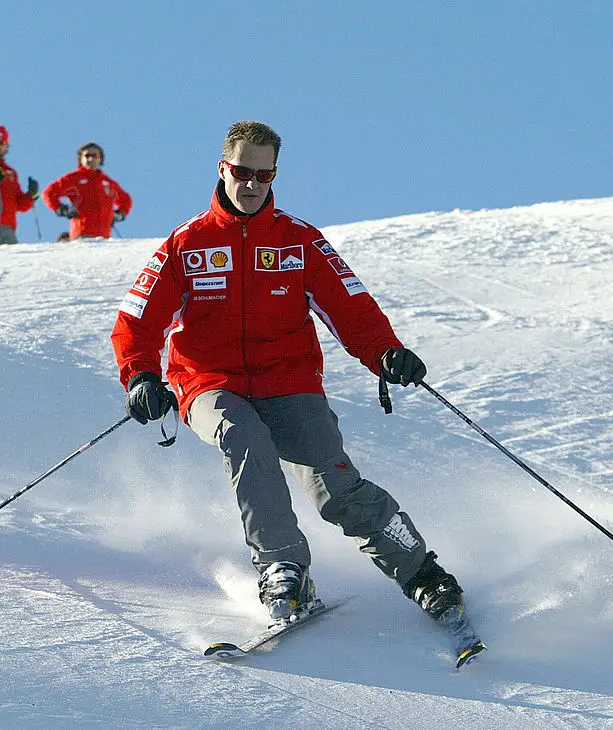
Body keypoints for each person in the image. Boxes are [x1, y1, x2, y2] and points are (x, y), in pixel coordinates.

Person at [110, 120, 472, 633]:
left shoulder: (299, 242)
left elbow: (351, 308)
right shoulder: (186, 245)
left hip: (289, 382)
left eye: (264, 174)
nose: (252, 184)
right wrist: (141, 376)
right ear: (223, 169)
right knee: (244, 437)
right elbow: (137, 320)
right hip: (209, 382)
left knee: (336, 488)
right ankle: (283, 567)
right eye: (242, 172)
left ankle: (423, 574)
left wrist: (386, 352)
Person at [42, 142, 132, 240]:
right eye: (87, 155)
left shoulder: (108, 183)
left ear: (100, 159)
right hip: (81, 235)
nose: (91, 159)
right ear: (81, 159)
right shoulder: (73, 179)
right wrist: (62, 209)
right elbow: (49, 193)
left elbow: (126, 200)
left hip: (104, 238)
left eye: (95, 155)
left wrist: (119, 215)